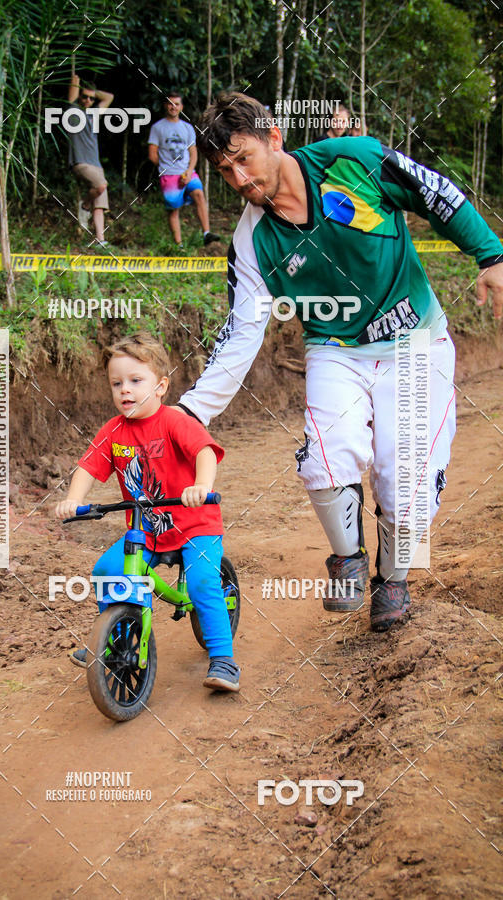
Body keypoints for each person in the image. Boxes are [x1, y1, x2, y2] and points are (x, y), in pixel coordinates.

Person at [173, 91, 503, 632]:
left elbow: (435, 195)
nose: (237, 178)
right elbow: (241, 334)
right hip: (335, 348)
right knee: (325, 459)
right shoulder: (252, 240)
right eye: (224, 169)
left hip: (414, 340)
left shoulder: (355, 159)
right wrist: (192, 411)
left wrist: (491, 255)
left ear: (275, 137)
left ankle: (392, 581)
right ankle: (347, 558)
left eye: (243, 158)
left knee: (406, 480)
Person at [55, 332, 240, 692]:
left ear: (161, 386)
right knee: (107, 571)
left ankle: (223, 659)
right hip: (147, 531)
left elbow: (204, 451)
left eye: (136, 381)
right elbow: (89, 468)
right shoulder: (113, 432)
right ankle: (115, 639)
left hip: (195, 523)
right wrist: (72, 500)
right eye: (117, 383)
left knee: (203, 582)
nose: (126, 390)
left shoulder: (175, 421)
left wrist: (201, 486)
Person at [148, 92, 220, 248]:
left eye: (177, 104)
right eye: (170, 103)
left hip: (187, 171)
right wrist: (165, 167)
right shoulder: (157, 128)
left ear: (181, 107)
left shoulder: (187, 128)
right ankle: (179, 245)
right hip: (169, 174)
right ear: (166, 105)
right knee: (174, 209)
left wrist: (189, 171)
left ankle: (206, 233)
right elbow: (152, 154)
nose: (173, 107)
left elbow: (193, 152)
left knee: (199, 194)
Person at [66, 74, 114, 247]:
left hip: (96, 164)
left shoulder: (94, 115)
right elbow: (73, 86)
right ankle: (85, 205)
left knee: (100, 204)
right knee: (101, 186)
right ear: (79, 96)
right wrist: (77, 82)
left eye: (91, 98)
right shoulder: (72, 113)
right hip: (80, 162)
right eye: (84, 96)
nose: (87, 100)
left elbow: (109, 97)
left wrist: (93, 91)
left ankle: (100, 240)